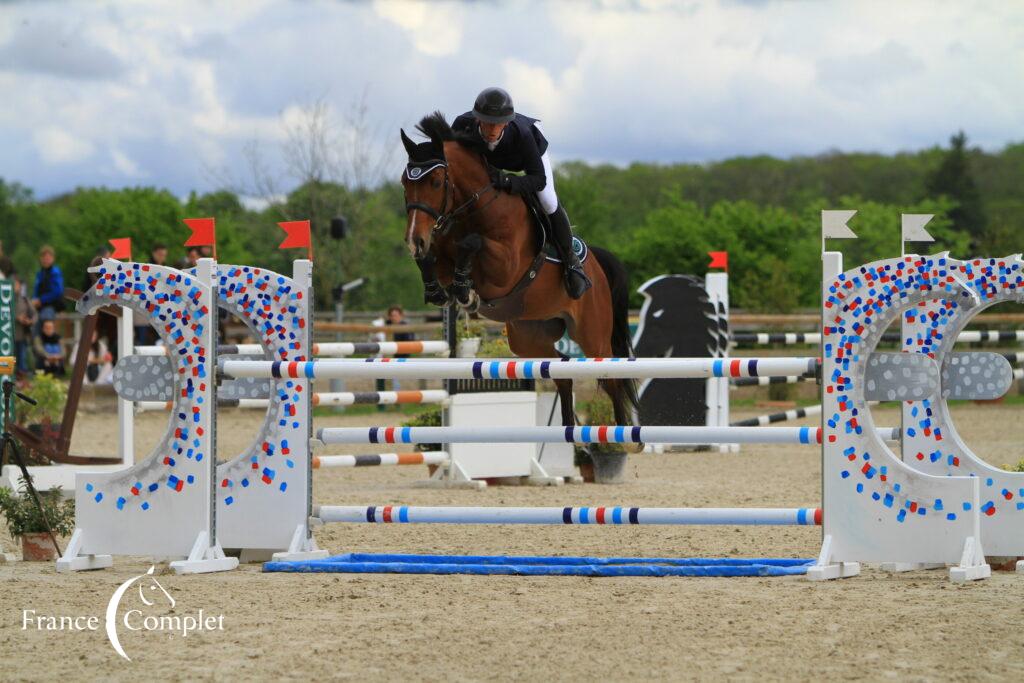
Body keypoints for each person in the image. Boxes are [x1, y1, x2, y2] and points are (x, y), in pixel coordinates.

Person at [452, 87, 591, 299]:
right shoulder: (462, 126)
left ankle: (572, 261)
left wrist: (509, 181)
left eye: (498, 124)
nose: (492, 129)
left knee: (548, 200)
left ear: (506, 123)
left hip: (525, 158)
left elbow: (538, 179)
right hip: (489, 164)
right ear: (478, 119)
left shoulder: (523, 134)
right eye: (488, 122)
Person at [32, 245, 65, 332]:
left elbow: (58, 291)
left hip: (51, 305)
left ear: (53, 259)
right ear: (41, 259)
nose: (46, 259)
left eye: (48, 257)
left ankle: (46, 341)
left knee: (45, 320)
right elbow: (36, 290)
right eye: (44, 257)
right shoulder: (40, 273)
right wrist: (34, 301)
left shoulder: (55, 272)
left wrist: (41, 300)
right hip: (40, 306)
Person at [13, 275, 37, 379]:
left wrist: (30, 321)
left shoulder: (25, 300)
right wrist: (16, 317)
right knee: (7, 362)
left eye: (17, 284)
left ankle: (22, 380)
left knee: (22, 360)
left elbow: (35, 314)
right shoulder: (4, 299)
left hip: (22, 336)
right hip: (6, 337)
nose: (15, 287)